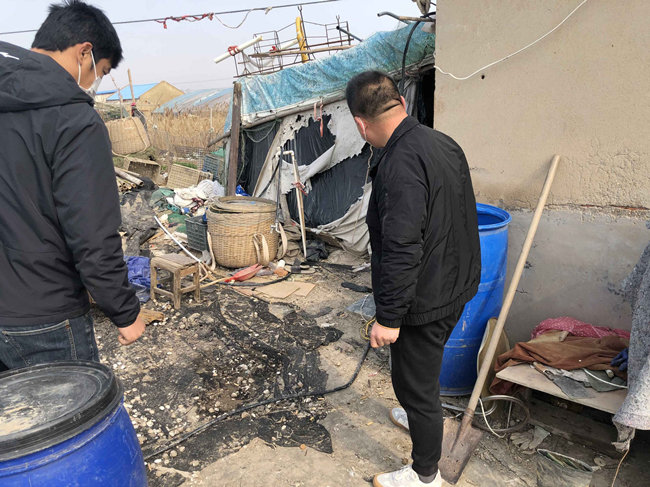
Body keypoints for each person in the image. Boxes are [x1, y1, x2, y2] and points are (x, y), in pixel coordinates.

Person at [345, 71, 481, 487]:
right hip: (456, 284)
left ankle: (425, 476)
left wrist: (388, 317)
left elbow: (402, 247)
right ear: (401, 103)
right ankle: (422, 419)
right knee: (424, 373)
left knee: (414, 383)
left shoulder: (398, 164)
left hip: (424, 298)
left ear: (360, 124)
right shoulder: (443, 142)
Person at [0, 0, 145, 371]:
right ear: (84, 52)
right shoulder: (73, 119)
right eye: (100, 71)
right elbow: (92, 233)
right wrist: (124, 311)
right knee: (73, 410)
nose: (93, 82)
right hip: (42, 313)